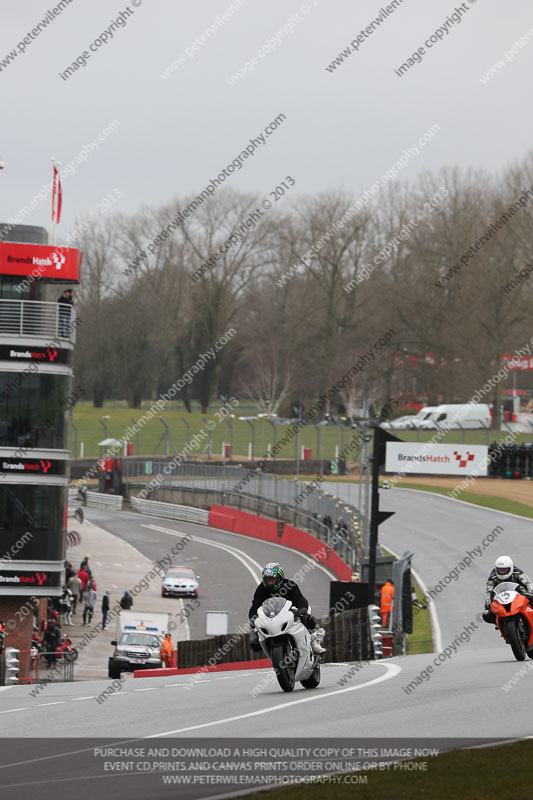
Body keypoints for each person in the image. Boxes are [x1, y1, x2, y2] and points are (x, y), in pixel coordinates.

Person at [248, 562, 325, 655]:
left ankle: (313, 642)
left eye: (273, 579)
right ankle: (269, 648)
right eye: (268, 580)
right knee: (254, 642)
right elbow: (255, 606)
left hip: (291, 612)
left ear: (279, 578)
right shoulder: (261, 589)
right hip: (271, 617)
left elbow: (300, 599)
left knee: (307, 616)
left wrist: (302, 609)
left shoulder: (290, 585)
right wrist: (252, 619)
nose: (270, 583)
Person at [483, 556, 533, 624]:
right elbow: (488, 591)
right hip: (501, 596)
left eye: (504, 570)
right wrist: (488, 602)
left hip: (519, 594)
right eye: (500, 570)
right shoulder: (493, 576)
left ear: (510, 568)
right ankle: (498, 622)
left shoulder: (517, 572)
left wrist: (530, 592)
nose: (502, 572)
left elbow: (528, 583)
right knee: (487, 612)